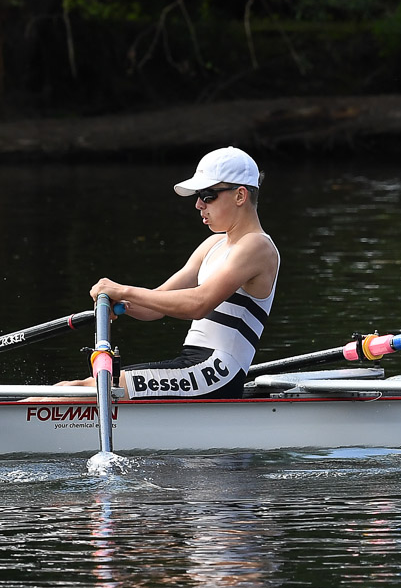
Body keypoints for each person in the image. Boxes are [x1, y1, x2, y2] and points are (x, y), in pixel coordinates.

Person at [63, 146, 281, 399]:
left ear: (240, 196)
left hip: (217, 374)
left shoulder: (257, 246)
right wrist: (121, 303)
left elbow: (198, 303)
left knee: (78, 391)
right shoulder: (213, 245)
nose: (199, 204)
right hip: (196, 368)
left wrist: (123, 290)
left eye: (208, 195)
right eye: (198, 196)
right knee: (70, 388)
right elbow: (155, 306)